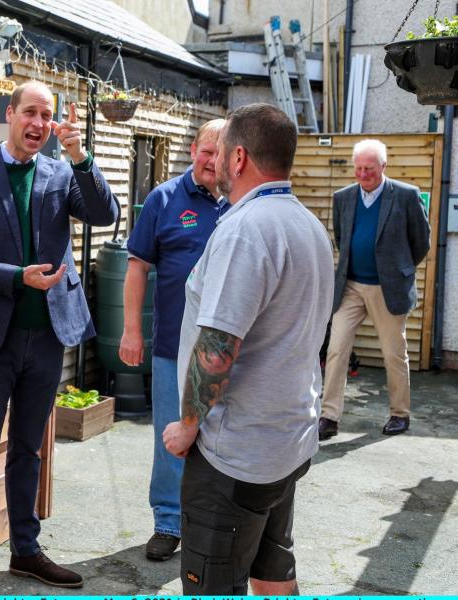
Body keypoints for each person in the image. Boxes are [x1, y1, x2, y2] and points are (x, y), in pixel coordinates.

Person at [0, 81, 119, 595]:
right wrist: (16, 276)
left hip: (46, 338)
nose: (39, 123)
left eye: (47, 115)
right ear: (10, 114)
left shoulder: (63, 172)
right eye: (30, 113)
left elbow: (105, 214)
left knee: (28, 450)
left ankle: (25, 550)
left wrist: (80, 154)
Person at [161, 103, 333, 595]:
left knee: (212, 585)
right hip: (285, 441)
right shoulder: (309, 226)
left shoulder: (245, 230)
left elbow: (217, 348)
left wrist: (187, 427)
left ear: (239, 158)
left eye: (221, 154)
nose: (213, 164)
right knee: (273, 569)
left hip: (234, 455)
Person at [118, 118, 227, 561]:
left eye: (221, 153)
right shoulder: (163, 199)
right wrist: (130, 330)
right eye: (206, 150)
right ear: (191, 150)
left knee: (221, 437)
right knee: (171, 434)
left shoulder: (241, 203)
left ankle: (213, 523)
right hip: (172, 347)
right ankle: (167, 521)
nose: (211, 160)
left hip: (228, 349)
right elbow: (137, 267)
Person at [318, 139, 431, 440]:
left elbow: (421, 241)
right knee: (337, 348)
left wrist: (399, 270)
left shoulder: (406, 195)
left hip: (388, 288)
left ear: (383, 166)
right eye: (358, 169)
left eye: (369, 168)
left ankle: (399, 414)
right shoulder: (343, 197)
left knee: (394, 353)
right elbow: (342, 239)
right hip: (351, 286)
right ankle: (329, 416)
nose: (363, 174)